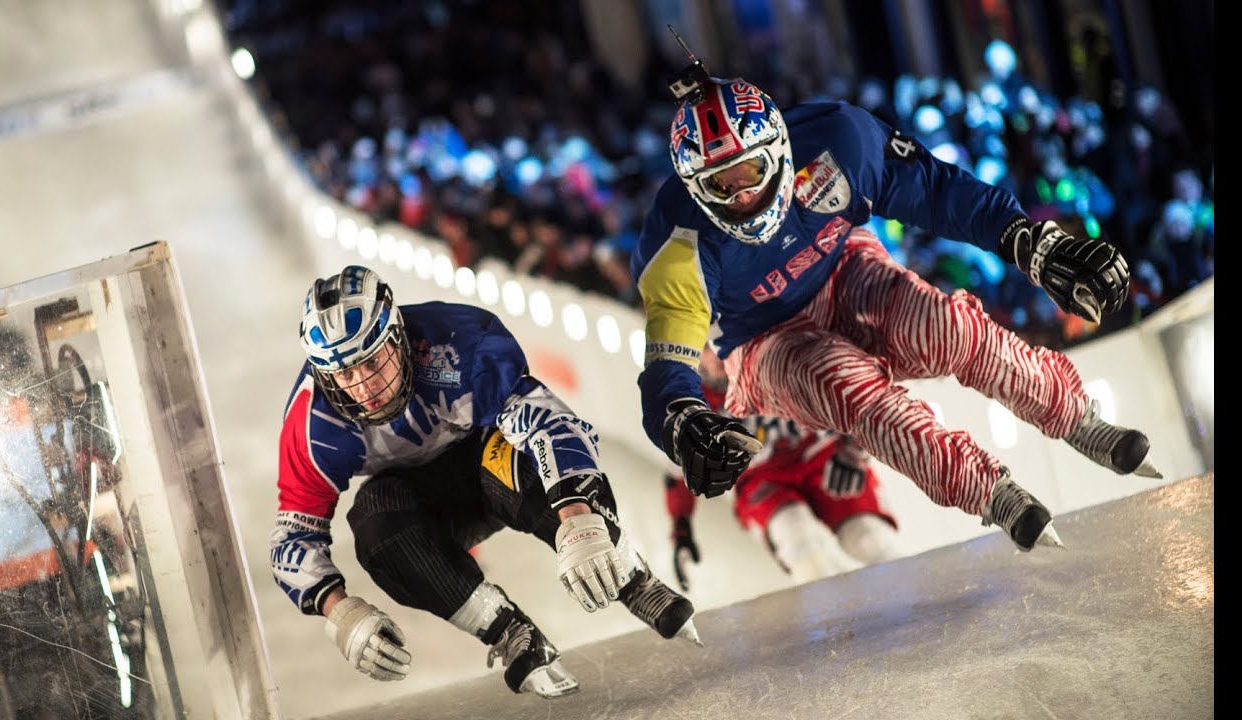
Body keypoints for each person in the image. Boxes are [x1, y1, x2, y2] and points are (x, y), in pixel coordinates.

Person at [631, 61, 1161, 555]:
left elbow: (932, 189)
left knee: (948, 328)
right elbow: (666, 367)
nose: (741, 196)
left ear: (778, 148)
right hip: (761, 340)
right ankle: (984, 488)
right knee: (853, 387)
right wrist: (678, 418)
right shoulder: (676, 244)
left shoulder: (839, 138)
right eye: (720, 185)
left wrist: (1028, 241)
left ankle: (1072, 414)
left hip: (843, 265)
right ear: (693, 187)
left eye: (747, 173)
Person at [270, 265, 699, 700]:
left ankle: (630, 576)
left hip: (488, 463)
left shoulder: (459, 341)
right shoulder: (311, 423)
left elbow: (548, 423)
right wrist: (339, 611)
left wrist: (578, 520)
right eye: (344, 374)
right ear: (323, 375)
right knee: (373, 524)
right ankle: (506, 629)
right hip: (417, 507)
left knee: (518, 457)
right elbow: (293, 535)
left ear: (398, 335)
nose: (365, 388)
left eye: (372, 361)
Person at [665, 347, 902, 590]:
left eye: (716, 343)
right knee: (801, 544)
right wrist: (681, 528)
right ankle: (838, 619)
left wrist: (854, 448)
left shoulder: (774, 348)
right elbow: (680, 467)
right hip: (761, 479)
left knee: (871, 539)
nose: (715, 356)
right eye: (704, 347)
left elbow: (850, 385)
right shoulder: (692, 400)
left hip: (822, 453)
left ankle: (914, 603)